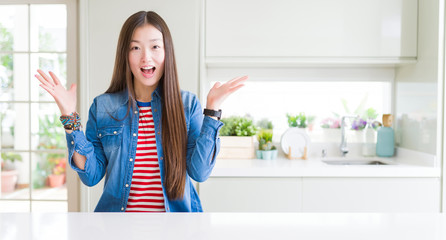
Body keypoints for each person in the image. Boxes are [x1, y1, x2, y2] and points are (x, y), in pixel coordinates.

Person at [35, 11, 247, 212]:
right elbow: (91, 176)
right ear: (125, 55)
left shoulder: (187, 105)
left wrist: (212, 111)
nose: (146, 57)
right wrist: (69, 116)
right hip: (118, 228)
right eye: (135, 48)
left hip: (175, 228)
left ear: (167, 52)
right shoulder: (103, 107)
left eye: (155, 47)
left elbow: (199, 173)